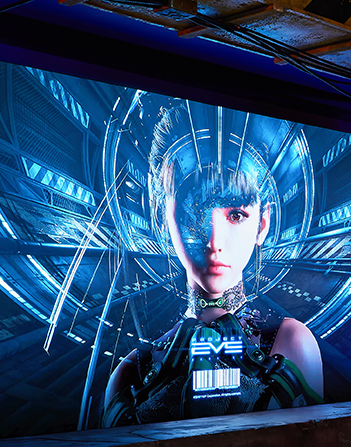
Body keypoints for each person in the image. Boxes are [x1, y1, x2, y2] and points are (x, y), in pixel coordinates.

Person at [102, 107, 323, 427]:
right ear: (162, 216)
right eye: (193, 212)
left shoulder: (292, 341)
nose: (213, 240)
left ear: (262, 224)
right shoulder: (130, 371)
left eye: (235, 215)